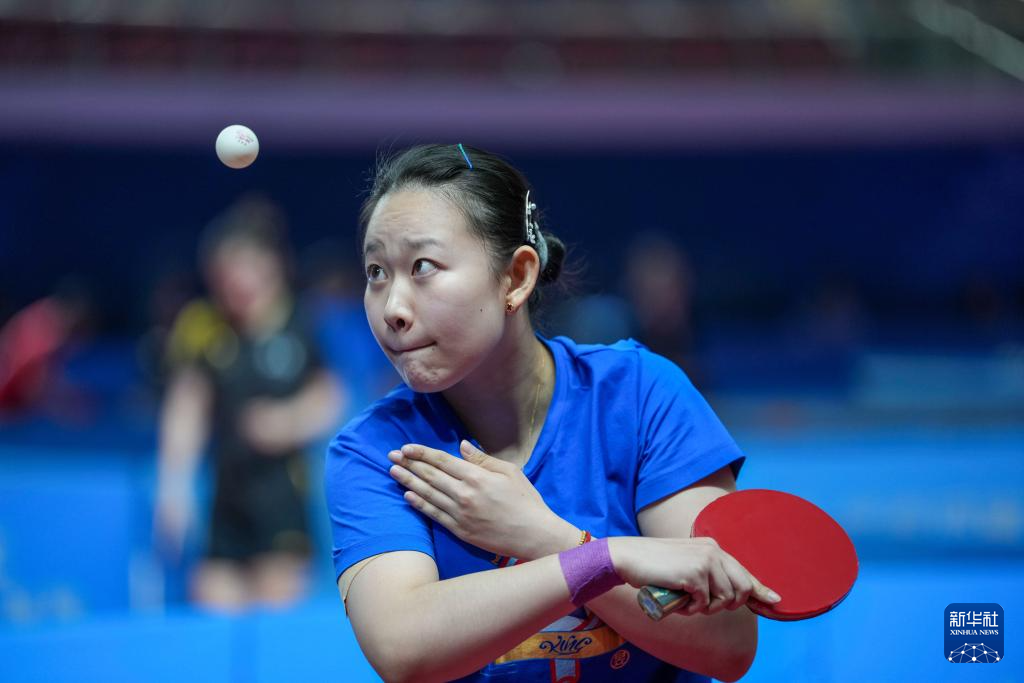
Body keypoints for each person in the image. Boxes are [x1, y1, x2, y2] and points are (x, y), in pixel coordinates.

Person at [325, 145, 779, 682]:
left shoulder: (641, 396)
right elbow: (404, 647)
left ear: (516, 277)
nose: (393, 309)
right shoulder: (374, 449)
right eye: (377, 272)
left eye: (423, 267)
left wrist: (548, 538)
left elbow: (727, 643)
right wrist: (607, 560)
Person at [155, 195, 345, 610]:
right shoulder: (204, 324)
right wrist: (174, 485)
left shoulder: (300, 321)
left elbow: (329, 396)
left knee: (275, 611)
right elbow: (186, 408)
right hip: (227, 500)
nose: (234, 282)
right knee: (211, 604)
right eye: (224, 273)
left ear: (269, 265)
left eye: (243, 267)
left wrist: (286, 421)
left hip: (281, 498)